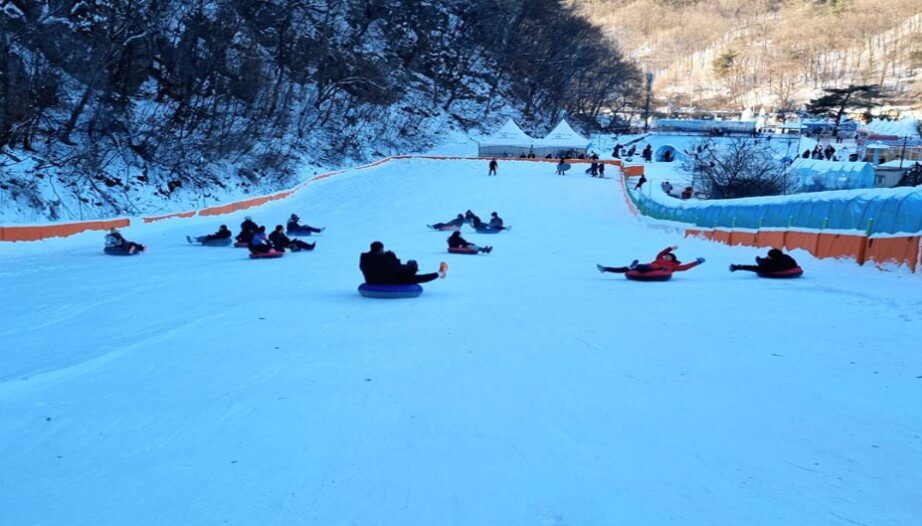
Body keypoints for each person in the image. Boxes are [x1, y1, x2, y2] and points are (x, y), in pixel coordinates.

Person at [360, 241, 447, 285]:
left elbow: (387, 269)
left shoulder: (365, 258)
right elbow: (393, 270)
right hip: (385, 280)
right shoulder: (382, 259)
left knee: (408, 268)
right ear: (381, 249)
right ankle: (440, 273)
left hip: (372, 280)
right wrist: (409, 268)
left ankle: (412, 267)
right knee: (414, 277)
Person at [597, 246, 704, 274]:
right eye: (666, 255)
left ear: (672, 258)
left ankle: (633, 267)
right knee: (627, 269)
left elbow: (685, 268)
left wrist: (697, 262)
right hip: (649, 267)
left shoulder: (674, 266)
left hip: (658, 270)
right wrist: (670, 248)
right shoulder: (659, 258)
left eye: (669, 256)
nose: (666, 256)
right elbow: (660, 253)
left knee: (636, 268)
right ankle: (605, 269)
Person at [730, 248, 798, 273]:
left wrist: (737, 267)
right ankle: (758, 259)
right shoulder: (786, 257)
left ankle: (757, 259)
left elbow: (754, 267)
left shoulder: (770, 264)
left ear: (772, 258)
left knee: (759, 262)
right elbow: (795, 265)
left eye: (769, 256)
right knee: (762, 261)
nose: (768, 257)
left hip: (770, 267)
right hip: (784, 265)